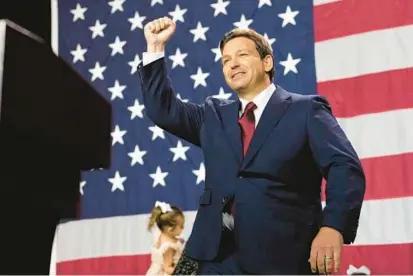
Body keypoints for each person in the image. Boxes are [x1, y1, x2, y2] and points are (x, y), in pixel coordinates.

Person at [138, 16, 366, 275]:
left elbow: (344, 167)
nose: (232, 63)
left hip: (284, 255)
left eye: (242, 55)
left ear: (267, 62)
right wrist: (154, 49)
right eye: (225, 60)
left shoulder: (305, 110)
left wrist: (333, 226)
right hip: (216, 257)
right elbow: (163, 111)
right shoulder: (212, 115)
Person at [146, 201, 185, 276]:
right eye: (181, 226)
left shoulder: (161, 234)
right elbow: (167, 268)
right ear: (170, 229)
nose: (183, 228)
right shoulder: (169, 247)